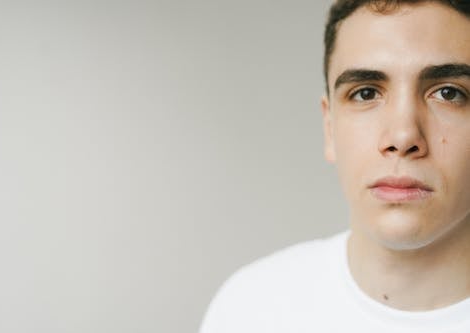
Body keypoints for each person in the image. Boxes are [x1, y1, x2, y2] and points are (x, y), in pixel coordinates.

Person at [199, 0, 470, 332]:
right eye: (366, 93)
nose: (403, 136)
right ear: (329, 127)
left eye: (448, 93)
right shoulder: (249, 308)